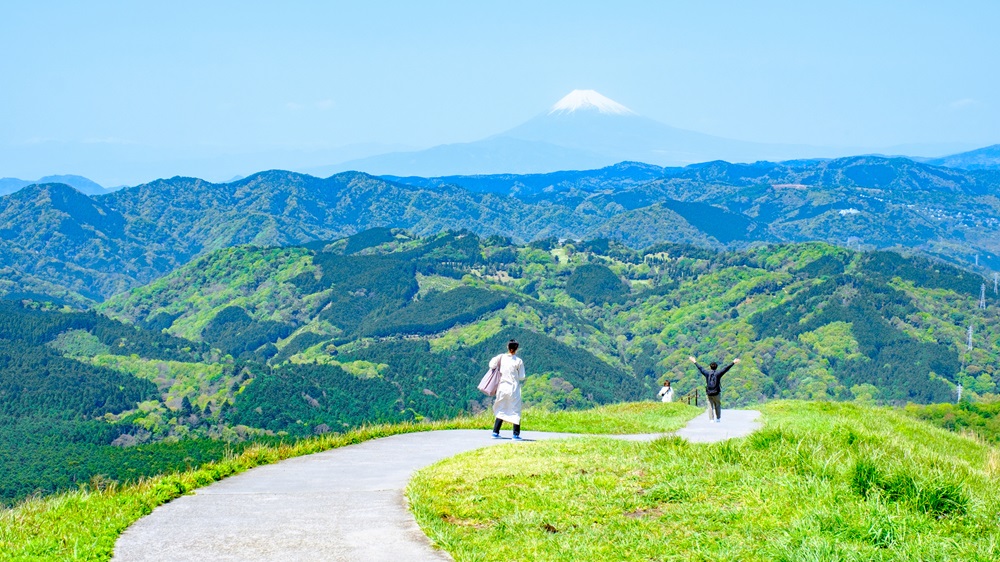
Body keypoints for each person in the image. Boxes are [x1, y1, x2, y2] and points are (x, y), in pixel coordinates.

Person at [491, 339, 526, 440]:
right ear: (516, 349)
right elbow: (521, 376)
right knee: (515, 410)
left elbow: (491, 365)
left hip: (502, 386)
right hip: (513, 388)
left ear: (507, 347)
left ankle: (495, 432)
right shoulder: (518, 361)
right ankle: (515, 434)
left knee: (501, 407)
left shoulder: (501, 357)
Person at [688, 356, 740, 423]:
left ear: (710, 367)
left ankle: (711, 419)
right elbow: (725, 369)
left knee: (710, 406)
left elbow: (700, 368)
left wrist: (694, 361)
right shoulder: (718, 373)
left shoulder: (707, 373)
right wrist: (733, 362)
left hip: (709, 393)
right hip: (716, 392)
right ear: (716, 367)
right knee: (717, 405)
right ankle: (718, 418)